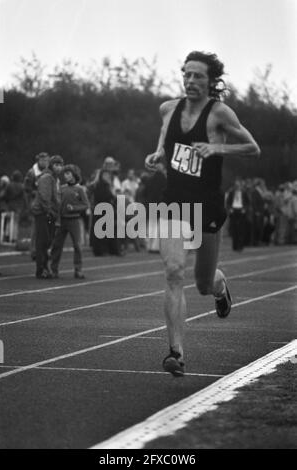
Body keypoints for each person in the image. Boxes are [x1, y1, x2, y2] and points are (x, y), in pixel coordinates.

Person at [145, 50, 260, 377]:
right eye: (187, 74)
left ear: (211, 80)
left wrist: (217, 148)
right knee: (173, 270)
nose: (191, 81)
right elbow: (165, 141)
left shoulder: (220, 114)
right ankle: (175, 353)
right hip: (174, 202)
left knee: (203, 282)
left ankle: (221, 289)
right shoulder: (168, 108)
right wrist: (156, 155)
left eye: (198, 76)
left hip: (207, 204)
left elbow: (253, 147)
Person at [51, 164, 89, 279]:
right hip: (62, 221)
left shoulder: (80, 189)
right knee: (57, 245)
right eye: (65, 174)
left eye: (68, 173)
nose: (65, 176)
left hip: (74, 221)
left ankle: (78, 270)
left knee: (77, 246)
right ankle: (54, 270)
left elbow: (86, 205)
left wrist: (74, 208)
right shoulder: (61, 189)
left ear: (73, 175)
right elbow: (57, 204)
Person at [31, 155, 64, 279]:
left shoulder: (55, 179)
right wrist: (49, 211)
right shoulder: (47, 177)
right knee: (43, 241)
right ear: (51, 165)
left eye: (60, 165)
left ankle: (44, 267)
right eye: (56, 165)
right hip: (43, 212)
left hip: (51, 213)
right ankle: (41, 269)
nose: (59, 167)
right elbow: (45, 197)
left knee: (48, 241)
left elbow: (56, 197)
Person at [24, 152, 50, 259]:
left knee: (47, 228)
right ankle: (34, 251)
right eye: (42, 160)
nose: (44, 162)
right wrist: (29, 204)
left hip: (46, 203)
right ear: (38, 160)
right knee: (36, 228)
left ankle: (44, 250)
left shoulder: (48, 171)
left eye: (46, 160)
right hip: (36, 203)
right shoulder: (31, 173)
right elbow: (26, 189)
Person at [226, 177, 250, 251]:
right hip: (233, 211)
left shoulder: (244, 192)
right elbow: (228, 202)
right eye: (236, 185)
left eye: (239, 185)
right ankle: (235, 246)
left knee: (241, 229)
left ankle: (240, 246)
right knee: (234, 230)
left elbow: (248, 202)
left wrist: (244, 209)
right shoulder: (231, 192)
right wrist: (230, 209)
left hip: (241, 211)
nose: (237, 186)